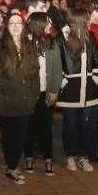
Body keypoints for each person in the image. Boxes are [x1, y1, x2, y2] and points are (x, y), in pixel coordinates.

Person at [0, 13, 41, 184]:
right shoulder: (0, 47)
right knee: (10, 135)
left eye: (18, 23)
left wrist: (34, 95)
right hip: (8, 100)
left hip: (27, 100)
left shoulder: (30, 46)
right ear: (7, 26)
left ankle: (13, 164)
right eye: (11, 23)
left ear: (24, 25)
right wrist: (8, 91)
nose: (15, 26)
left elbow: (35, 72)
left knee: (21, 136)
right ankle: (11, 167)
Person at [57, 8, 98, 172]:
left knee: (88, 125)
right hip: (71, 90)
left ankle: (84, 156)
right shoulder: (62, 38)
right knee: (70, 124)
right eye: (87, 19)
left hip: (88, 89)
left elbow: (97, 59)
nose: (90, 21)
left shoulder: (90, 37)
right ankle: (71, 155)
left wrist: (95, 78)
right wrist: (63, 82)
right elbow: (59, 61)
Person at [24, 12, 63, 176]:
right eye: (47, 23)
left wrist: (54, 89)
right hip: (30, 93)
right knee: (30, 127)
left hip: (46, 92)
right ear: (38, 25)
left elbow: (57, 68)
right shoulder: (26, 43)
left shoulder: (52, 43)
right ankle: (29, 156)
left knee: (47, 127)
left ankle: (48, 158)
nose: (50, 25)